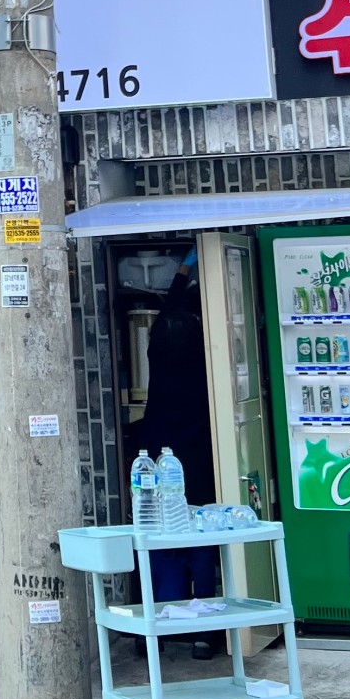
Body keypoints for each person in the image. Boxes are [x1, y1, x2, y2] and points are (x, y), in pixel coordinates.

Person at [136, 246, 222, 659]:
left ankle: (158, 625)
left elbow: (170, 305)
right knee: (200, 536)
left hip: (157, 452)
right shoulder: (205, 354)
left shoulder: (159, 343)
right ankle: (204, 632)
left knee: (161, 536)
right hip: (197, 454)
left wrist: (185, 267)